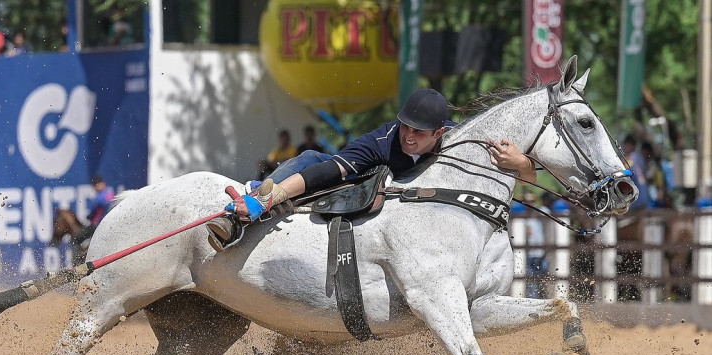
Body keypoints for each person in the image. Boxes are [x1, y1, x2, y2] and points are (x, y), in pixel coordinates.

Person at [207, 88, 536, 252]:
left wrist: (521, 163)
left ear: (440, 132)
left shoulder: (461, 140)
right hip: (363, 187)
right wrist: (274, 194)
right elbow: (330, 171)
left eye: (419, 132)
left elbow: (531, 176)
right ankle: (243, 211)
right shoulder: (380, 142)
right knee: (310, 157)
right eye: (405, 126)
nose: (408, 136)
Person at [524, 191, 552, 299]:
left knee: (543, 277)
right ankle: (534, 299)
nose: (529, 204)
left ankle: (543, 298)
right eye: (527, 202)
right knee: (531, 279)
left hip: (541, 252)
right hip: (530, 253)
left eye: (531, 201)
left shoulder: (538, 214)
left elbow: (546, 212)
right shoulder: (524, 218)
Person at [622, 134, 649, 210]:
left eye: (626, 145)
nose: (624, 147)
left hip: (635, 199)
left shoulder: (629, 159)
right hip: (643, 197)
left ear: (631, 145)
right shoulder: (640, 158)